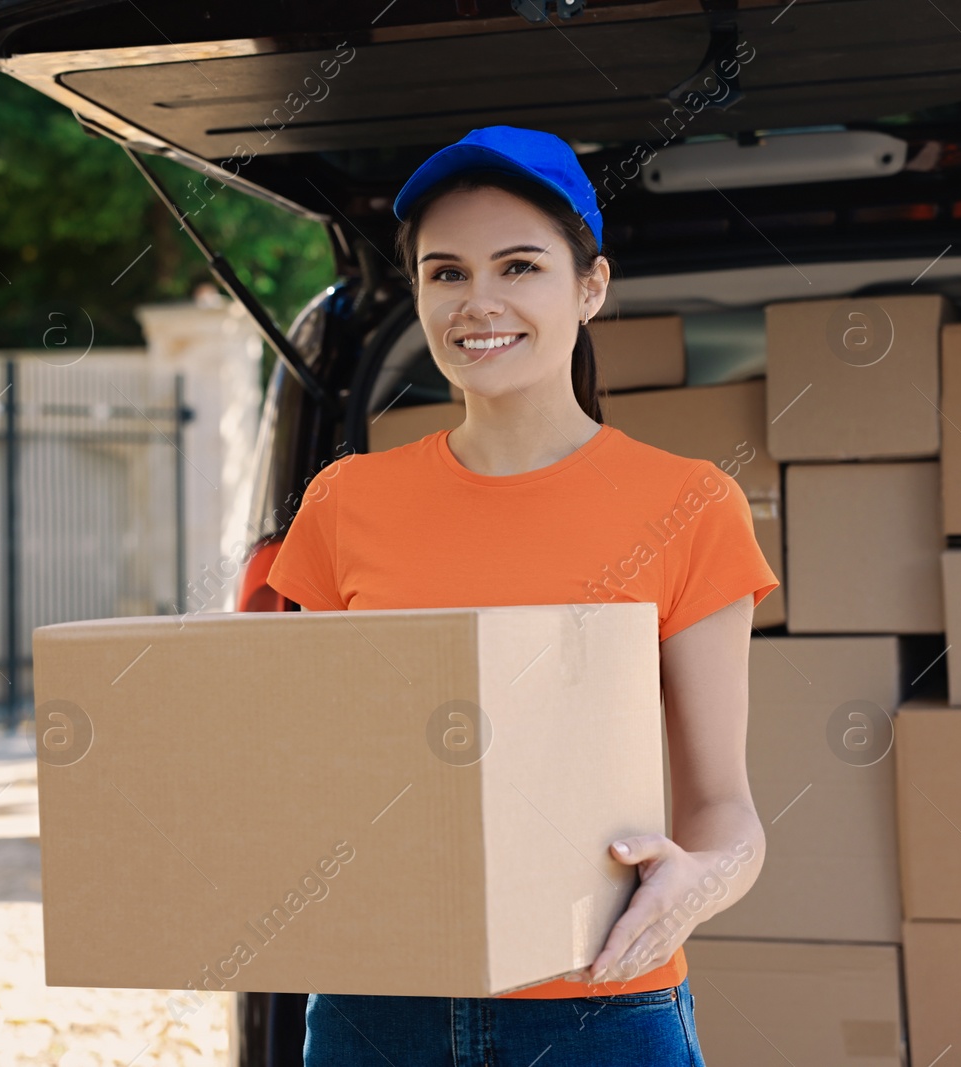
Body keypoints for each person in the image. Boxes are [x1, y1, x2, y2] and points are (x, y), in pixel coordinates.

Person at [264, 126, 780, 1066]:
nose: (479, 302)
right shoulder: (344, 503)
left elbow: (725, 812)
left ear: (590, 287)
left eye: (519, 266)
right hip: (377, 1007)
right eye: (445, 272)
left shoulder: (691, 506)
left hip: (600, 1006)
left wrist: (696, 886)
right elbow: (310, 776)